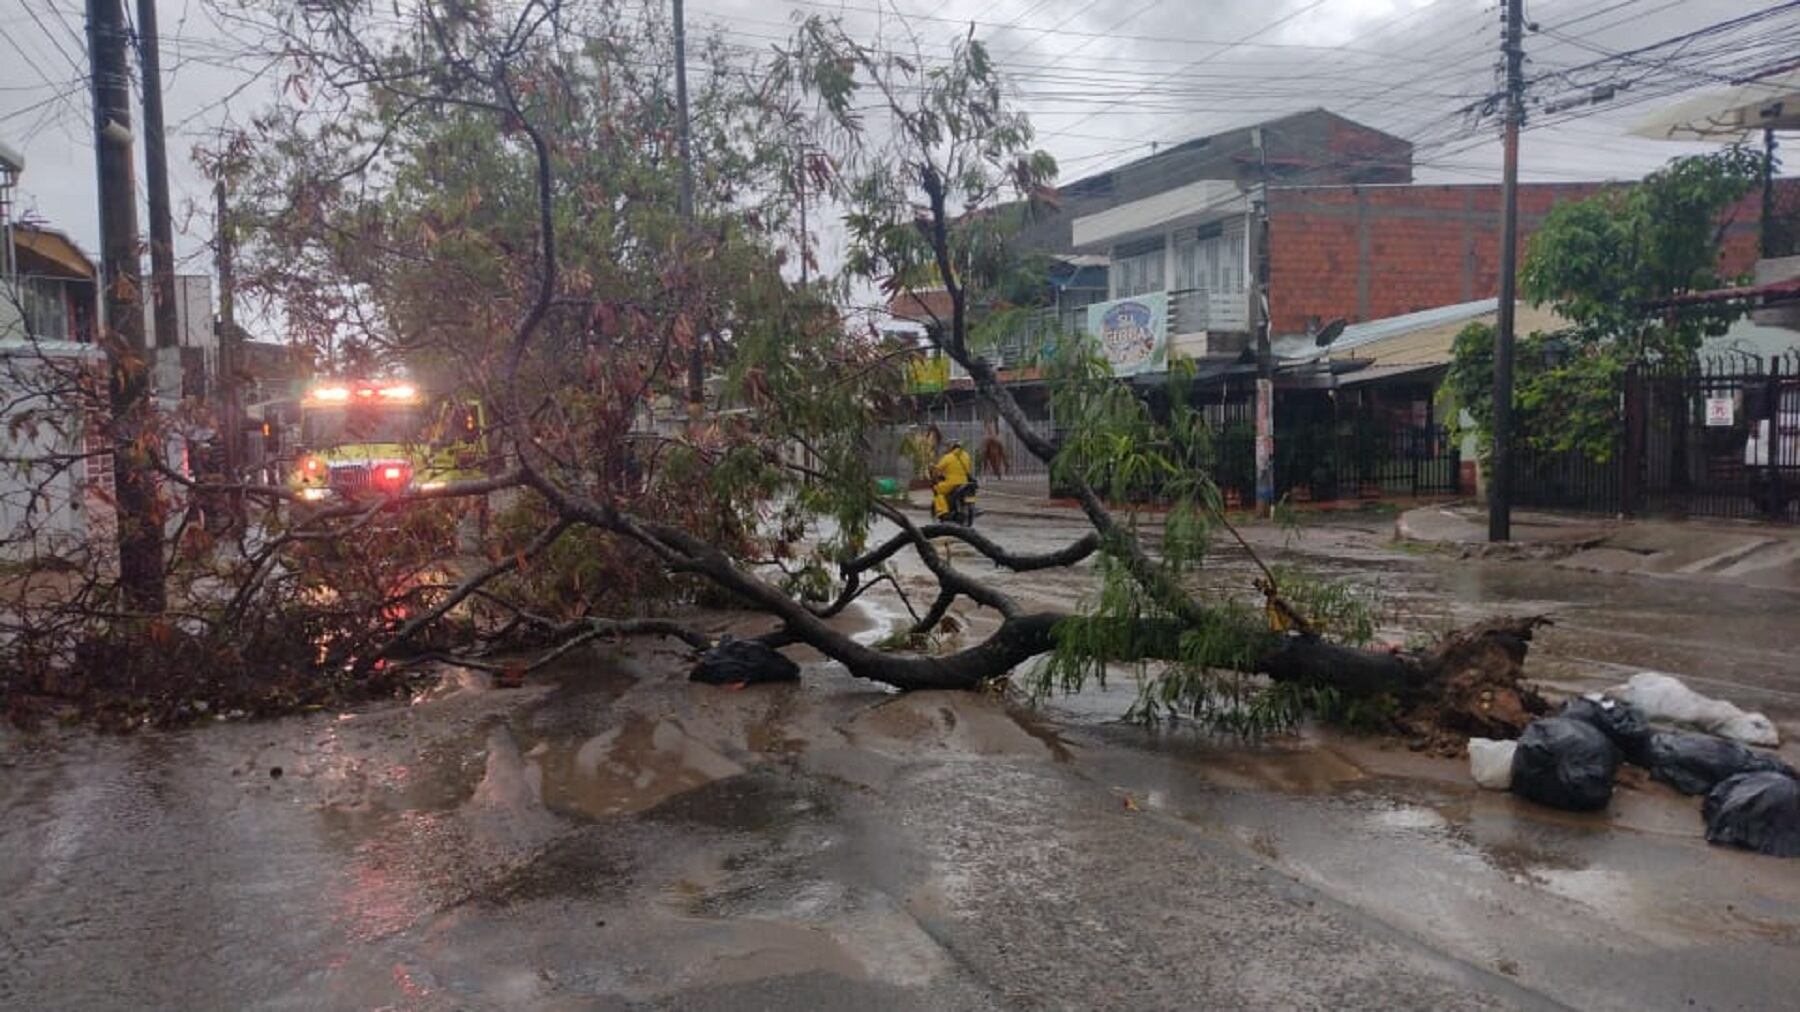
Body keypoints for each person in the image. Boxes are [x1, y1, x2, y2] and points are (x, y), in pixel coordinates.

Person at [931, 439, 975, 520]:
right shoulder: (966, 456)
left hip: (951, 483)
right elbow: (968, 469)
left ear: (951, 447)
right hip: (964, 482)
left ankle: (943, 512)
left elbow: (937, 469)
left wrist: (935, 477)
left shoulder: (948, 457)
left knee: (937, 490)